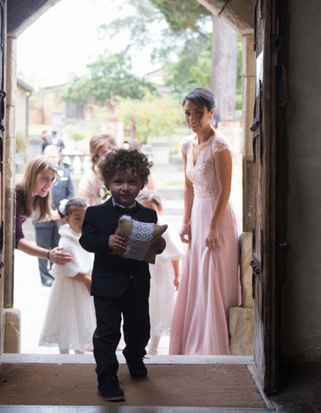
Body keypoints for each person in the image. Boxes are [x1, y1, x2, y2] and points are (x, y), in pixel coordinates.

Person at [80, 148, 166, 402]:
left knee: (139, 329)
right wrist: (106, 241)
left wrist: (158, 246)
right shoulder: (95, 213)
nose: (125, 187)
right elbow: (86, 240)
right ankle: (106, 378)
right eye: (118, 182)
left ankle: (134, 355)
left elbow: (154, 243)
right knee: (107, 332)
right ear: (107, 183)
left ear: (142, 183)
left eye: (132, 182)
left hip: (137, 283)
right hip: (107, 285)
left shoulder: (149, 214)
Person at [169, 87, 240, 356]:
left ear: (211, 113)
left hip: (217, 216)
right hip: (197, 213)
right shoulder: (186, 144)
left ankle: (214, 343)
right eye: (188, 113)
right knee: (196, 276)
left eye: (199, 113)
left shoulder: (220, 145)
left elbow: (225, 190)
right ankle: (193, 341)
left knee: (212, 276)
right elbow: (188, 186)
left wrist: (212, 226)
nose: (192, 119)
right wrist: (186, 221)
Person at [39, 197, 95, 354]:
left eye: (85, 218)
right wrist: (86, 280)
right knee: (67, 317)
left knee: (81, 318)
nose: (82, 223)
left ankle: (80, 351)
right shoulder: (67, 241)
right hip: (70, 287)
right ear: (66, 219)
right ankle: (64, 354)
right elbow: (65, 267)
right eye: (77, 218)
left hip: (83, 287)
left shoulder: (83, 237)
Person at [136, 191, 183, 355]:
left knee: (159, 307)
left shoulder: (166, 228)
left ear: (159, 208)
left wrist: (177, 276)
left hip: (161, 274)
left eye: (150, 208)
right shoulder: (136, 227)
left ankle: (154, 347)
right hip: (142, 272)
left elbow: (175, 254)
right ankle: (139, 344)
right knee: (144, 308)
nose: (147, 213)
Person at [15, 156, 73, 267]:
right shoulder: (16, 195)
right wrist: (48, 254)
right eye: (45, 178)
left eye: (52, 179)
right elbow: (16, 240)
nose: (50, 185)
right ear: (32, 176)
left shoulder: (37, 194)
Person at [33, 146, 74, 286]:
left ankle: (55, 274)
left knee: (58, 246)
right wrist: (47, 211)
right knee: (43, 247)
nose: (51, 159)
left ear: (59, 157)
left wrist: (59, 212)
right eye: (48, 156)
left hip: (59, 219)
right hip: (42, 217)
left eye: (54, 157)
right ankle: (45, 278)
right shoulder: (37, 174)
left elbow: (70, 195)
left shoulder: (65, 173)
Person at [77, 133, 117, 206]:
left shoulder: (128, 174)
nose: (101, 160)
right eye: (96, 156)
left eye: (105, 154)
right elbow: (84, 211)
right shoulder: (89, 180)